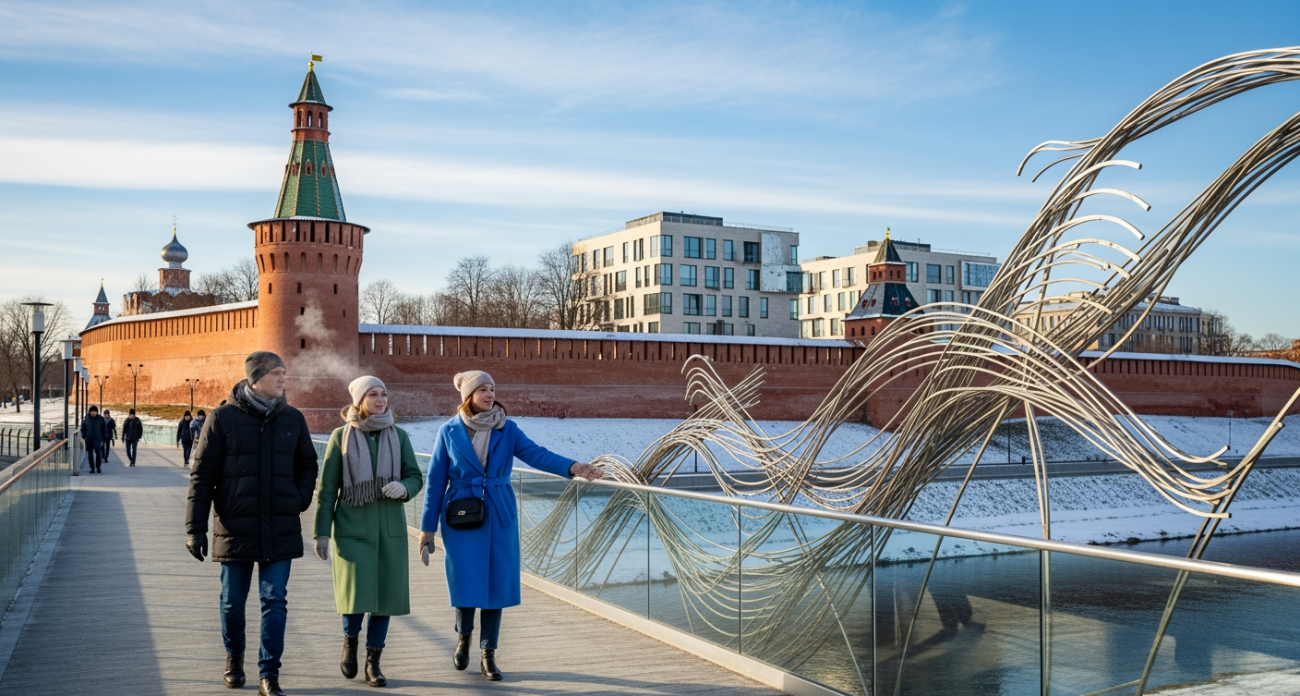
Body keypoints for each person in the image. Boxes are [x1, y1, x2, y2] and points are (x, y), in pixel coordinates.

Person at [418, 371, 603, 681]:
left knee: (495, 584)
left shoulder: (508, 428)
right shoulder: (448, 431)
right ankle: (463, 637)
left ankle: (488, 654)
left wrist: (574, 467)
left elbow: (536, 455)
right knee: (465, 580)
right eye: (483, 390)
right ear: (469, 396)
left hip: (499, 512)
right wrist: (427, 527)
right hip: (461, 514)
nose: (490, 394)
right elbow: (436, 480)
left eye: (492, 389)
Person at [185, 351, 319, 696]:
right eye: (276, 373)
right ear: (255, 378)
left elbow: (308, 465)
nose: (283, 379)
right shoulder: (222, 419)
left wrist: (299, 498)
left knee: (275, 600)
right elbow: (201, 477)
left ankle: (269, 673)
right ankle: (234, 657)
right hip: (235, 525)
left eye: (285, 373)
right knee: (232, 600)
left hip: (280, 525)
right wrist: (195, 528)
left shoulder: (293, 419)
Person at [313, 376, 423, 687]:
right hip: (351, 529)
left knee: (385, 598)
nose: (380, 399)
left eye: (384, 394)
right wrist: (322, 532)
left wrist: (404, 487)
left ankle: (374, 661)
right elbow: (326, 490)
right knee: (355, 596)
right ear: (359, 400)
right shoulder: (340, 436)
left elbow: (416, 476)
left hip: (390, 530)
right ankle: (350, 643)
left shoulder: (398, 436)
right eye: (373, 395)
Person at [80, 405, 107, 474]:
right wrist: (83, 435)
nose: (93, 413)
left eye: (95, 411)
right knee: (90, 454)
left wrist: (104, 437)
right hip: (89, 438)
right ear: (90, 412)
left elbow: (104, 428)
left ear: (97, 412)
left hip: (98, 438)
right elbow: (83, 427)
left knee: (98, 453)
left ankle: (98, 467)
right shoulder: (87, 418)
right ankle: (92, 468)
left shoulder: (100, 419)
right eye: (92, 411)